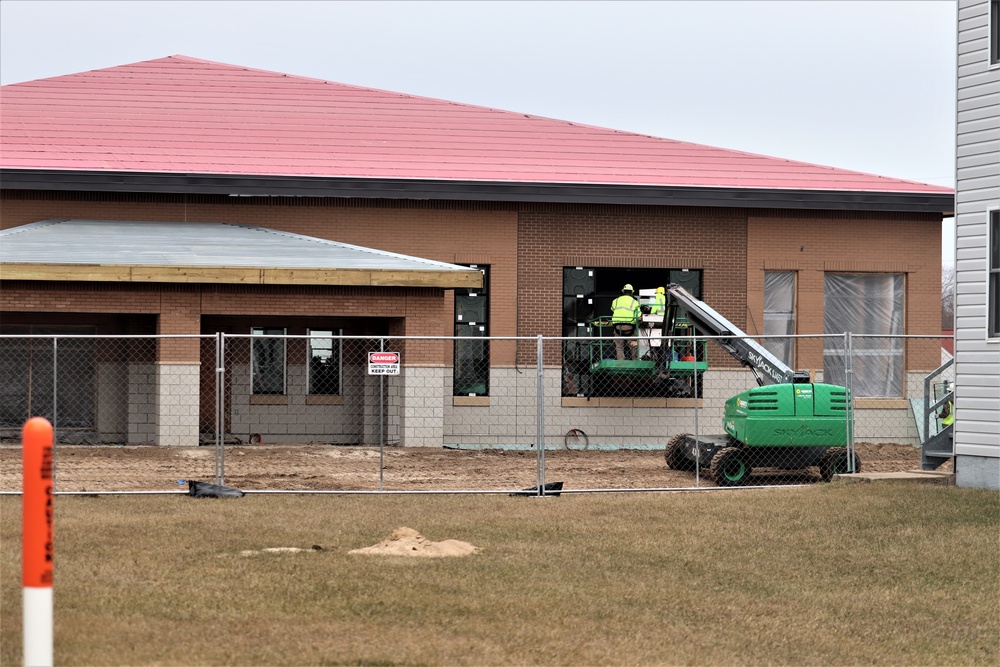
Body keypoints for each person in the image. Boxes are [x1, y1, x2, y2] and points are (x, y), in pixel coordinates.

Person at [610, 284, 640, 360]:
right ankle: (635, 361)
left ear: (623, 291)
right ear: (632, 292)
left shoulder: (616, 301)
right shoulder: (635, 302)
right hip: (629, 327)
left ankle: (621, 362)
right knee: (633, 344)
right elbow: (639, 314)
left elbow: (613, 309)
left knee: (619, 346)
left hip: (617, 327)